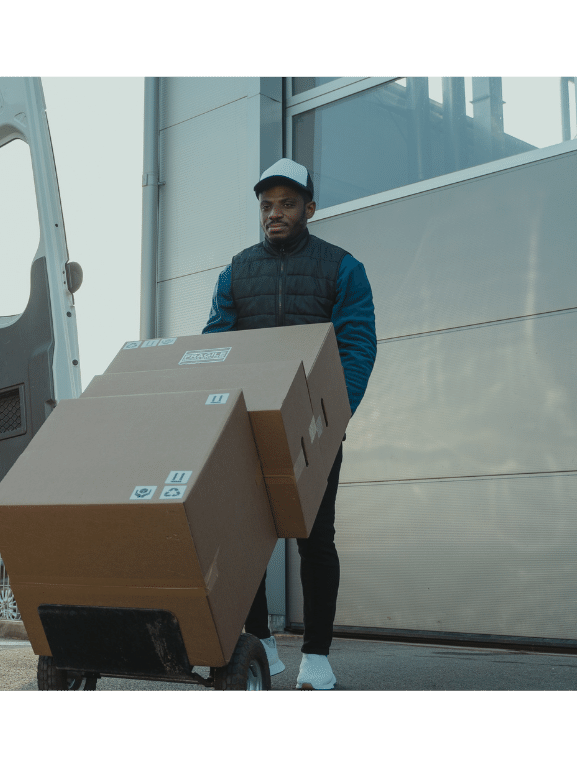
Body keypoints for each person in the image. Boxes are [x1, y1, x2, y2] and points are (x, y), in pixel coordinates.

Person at [202, 158, 377, 690]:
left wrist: (336, 416)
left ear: (310, 208)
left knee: (314, 539)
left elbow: (357, 346)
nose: (274, 213)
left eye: (287, 204)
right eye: (266, 205)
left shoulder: (342, 268)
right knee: (246, 538)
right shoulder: (237, 271)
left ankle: (317, 657)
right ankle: (262, 641)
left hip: (314, 429)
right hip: (247, 427)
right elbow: (216, 343)